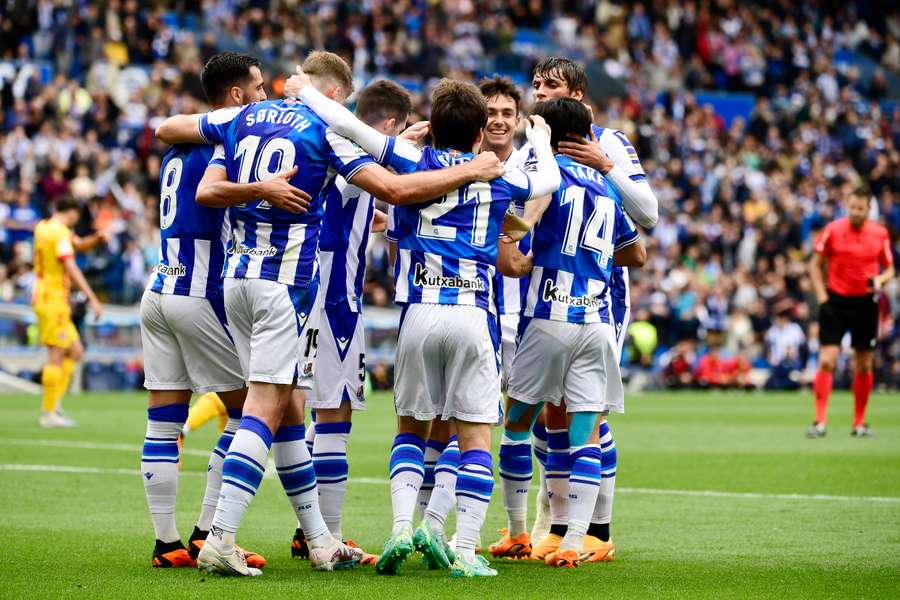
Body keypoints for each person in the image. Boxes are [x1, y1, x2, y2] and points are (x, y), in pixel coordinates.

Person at [156, 51, 505, 576]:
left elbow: (196, 169)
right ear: (333, 95)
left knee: (291, 411)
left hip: (236, 282)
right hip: (287, 284)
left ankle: (320, 539)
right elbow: (392, 188)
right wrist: (474, 169)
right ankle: (220, 536)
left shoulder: (245, 117)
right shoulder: (325, 131)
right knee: (267, 408)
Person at [290, 71, 561, 577]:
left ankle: (399, 528)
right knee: (475, 436)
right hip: (472, 313)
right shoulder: (497, 173)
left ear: (431, 126)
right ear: (480, 133)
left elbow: (349, 126)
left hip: (416, 314)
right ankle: (463, 547)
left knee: (409, 432)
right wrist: (540, 140)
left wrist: (304, 91)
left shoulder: (413, 159)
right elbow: (547, 180)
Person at [506, 56, 659, 563]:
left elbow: (649, 215)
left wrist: (605, 166)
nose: (541, 93)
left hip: (599, 299)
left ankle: (596, 528)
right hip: (554, 295)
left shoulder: (607, 141)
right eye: (537, 85)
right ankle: (556, 525)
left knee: (582, 412)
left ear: (577, 95)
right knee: (555, 409)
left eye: (552, 86)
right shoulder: (536, 146)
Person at [140, 52, 280, 570]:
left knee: (163, 421)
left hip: (159, 288)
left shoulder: (180, 147)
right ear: (238, 95)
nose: (264, 97)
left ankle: (166, 543)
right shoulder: (228, 144)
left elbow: (166, 128)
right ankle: (206, 534)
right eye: (259, 89)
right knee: (251, 412)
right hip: (200, 295)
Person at [808, 188, 894, 437]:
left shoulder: (879, 234)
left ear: (868, 209)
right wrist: (822, 297)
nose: (855, 212)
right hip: (835, 301)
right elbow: (815, 265)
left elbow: (889, 269)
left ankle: (859, 423)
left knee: (864, 364)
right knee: (827, 360)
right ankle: (819, 422)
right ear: (847, 205)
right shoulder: (833, 229)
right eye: (852, 207)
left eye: (860, 208)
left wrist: (880, 280)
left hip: (866, 302)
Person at [32, 196, 104, 428]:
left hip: (45, 296)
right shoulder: (60, 233)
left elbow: (80, 244)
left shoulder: (43, 227)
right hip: (53, 299)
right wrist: (92, 297)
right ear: (72, 212)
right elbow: (70, 265)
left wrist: (98, 239)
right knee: (57, 353)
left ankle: (54, 405)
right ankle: (48, 412)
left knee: (75, 350)